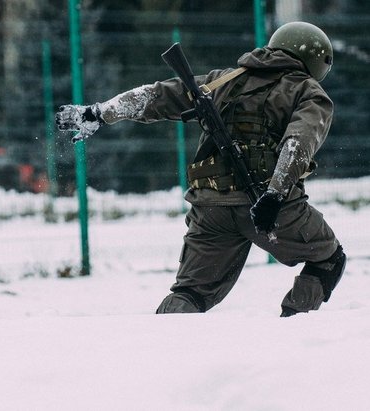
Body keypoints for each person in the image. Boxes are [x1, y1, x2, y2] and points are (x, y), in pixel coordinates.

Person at [55, 21, 345, 317]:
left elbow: (157, 96)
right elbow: (298, 143)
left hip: (210, 206)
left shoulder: (224, 80)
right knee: (329, 258)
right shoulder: (308, 91)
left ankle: (159, 337)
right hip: (269, 208)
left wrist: (98, 113)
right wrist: (274, 196)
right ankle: (295, 327)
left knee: (191, 292)